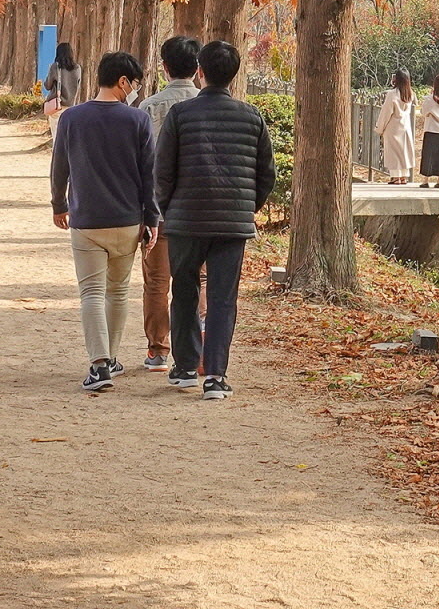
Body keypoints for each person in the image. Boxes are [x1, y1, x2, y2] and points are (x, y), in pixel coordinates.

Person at [154, 40, 275, 401]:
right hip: (231, 222)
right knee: (223, 298)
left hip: (186, 219)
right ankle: (217, 376)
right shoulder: (252, 116)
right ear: (234, 74)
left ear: (200, 72)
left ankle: (186, 367)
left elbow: (164, 173)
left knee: (185, 290)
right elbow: (265, 173)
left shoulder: (180, 115)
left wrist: (166, 209)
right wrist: (246, 207)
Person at [51, 52, 158, 393]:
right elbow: (149, 176)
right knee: (118, 292)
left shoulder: (72, 119)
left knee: (92, 293)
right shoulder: (138, 121)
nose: (136, 90)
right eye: (135, 83)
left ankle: (99, 366)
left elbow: (60, 168)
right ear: (123, 82)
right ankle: (110, 358)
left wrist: (59, 204)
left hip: (87, 220)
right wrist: (151, 218)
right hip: (128, 220)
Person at [137, 36, 203, 372]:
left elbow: (138, 162)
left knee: (157, 283)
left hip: (158, 209)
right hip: (197, 210)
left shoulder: (148, 107)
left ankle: (158, 350)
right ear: (198, 68)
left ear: (164, 67)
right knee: (196, 280)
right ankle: (197, 348)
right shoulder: (206, 106)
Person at [376, 70, 418, 184]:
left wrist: (380, 128)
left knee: (393, 152)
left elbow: (386, 112)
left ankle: (395, 177)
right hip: (405, 125)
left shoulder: (392, 93)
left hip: (393, 125)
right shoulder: (410, 93)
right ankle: (404, 176)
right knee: (404, 151)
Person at [44, 43, 81, 115]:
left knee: (56, 126)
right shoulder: (77, 68)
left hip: (57, 106)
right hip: (71, 107)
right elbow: (78, 86)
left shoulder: (55, 67)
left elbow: (47, 86)